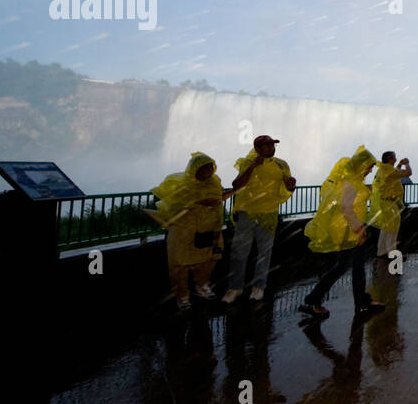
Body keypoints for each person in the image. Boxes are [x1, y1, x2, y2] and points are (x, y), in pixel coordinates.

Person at [300, 146, 386, 320]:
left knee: (355, 268)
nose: (370, 170)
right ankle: (312, 300)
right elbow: (347, 209)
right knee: (344, 267)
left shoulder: (350, 180)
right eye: (369, 167)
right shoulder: (350, 183)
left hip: (351, 232)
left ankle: (361, 302)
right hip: (350, 233)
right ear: (361, 165)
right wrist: (360, 230)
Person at [150, 151, 233, 311]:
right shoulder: (180, 184)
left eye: (211, 166)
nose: (209, 170)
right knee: (179, 265)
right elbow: (173, 205)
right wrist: (199, 202)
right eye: (205, 167)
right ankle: (182, 296)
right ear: (195, 169)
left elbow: (219, 197)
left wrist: (231, 192)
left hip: (209, 229)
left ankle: (201, 285)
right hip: (184, 231)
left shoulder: (215, 182)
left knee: (208, 260)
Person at [223, 135, 296, 304]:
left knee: (265, 253)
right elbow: (237, 185)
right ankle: (235, 288)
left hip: (269, 214)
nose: (272, 148)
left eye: (272, 145)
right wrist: (253, 166)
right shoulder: (247, 162)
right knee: (239, 253)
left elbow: (287, 187)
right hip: (246, 214)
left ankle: (258, 287)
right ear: (257, 149)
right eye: (267, 146)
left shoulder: (281, 164)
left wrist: (291, 186)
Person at [368, 151, 411, 259]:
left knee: (386, 227)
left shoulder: (382, 170)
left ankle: (381, 251)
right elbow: (408, 173)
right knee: (393, 228)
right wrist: (407, 164)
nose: (396, 159)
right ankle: (391, 253)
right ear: (390, 158)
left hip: (384, 201)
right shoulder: (389, 171)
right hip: (390, 203)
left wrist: (400, 165)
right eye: (394, 157)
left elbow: (394, 173)